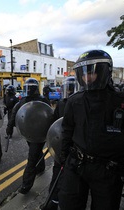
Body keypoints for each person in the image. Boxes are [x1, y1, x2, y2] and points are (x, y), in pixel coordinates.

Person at [58, 50, 124, 210]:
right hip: (76, 165)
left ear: (104, 72)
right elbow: (67, 131)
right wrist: (64, 159)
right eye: (83, 73)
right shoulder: (74, 101)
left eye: (91, 72)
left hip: (108, 172)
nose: (86, 77)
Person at [6, 78, 50, 194]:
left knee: (32, 157)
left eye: (31, 88)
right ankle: (41, 167)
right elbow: (15, 114)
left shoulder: (43, 100)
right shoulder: (24, 101)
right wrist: (9, 127)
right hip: (29, 132)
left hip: (39, 132)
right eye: (28, 87)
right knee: (35, 152)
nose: (29, 90)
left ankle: (26, 185)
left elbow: (50, 115)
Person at [43, 76, 77, 210]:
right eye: (67, 88)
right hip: (62, 142)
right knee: (57, 172)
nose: (68, 90)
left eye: (71, 88)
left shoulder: (80, 102)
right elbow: (55, 121)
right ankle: (52, 201)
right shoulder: (62, 103)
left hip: (76, 144)